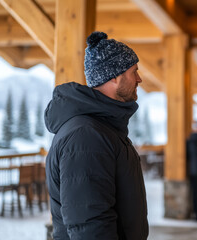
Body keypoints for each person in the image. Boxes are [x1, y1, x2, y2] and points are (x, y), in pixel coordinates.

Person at [44, 32, 148, 239]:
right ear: (114, 77)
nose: (139, 78)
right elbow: (90, 226)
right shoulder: (86, 137)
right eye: (133, 71)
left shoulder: (102, 127)